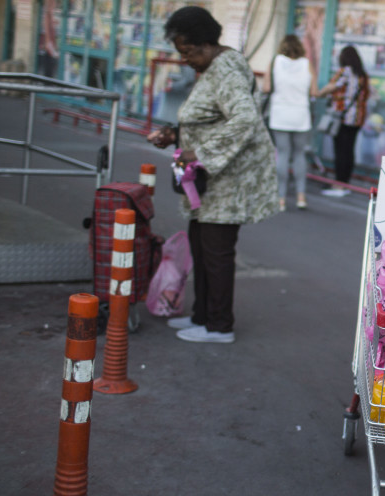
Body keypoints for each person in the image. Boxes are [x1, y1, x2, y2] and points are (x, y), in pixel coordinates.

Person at [146, 6, 279, 344]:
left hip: (229, 180)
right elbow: (211, 120)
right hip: (209, 181)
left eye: (188, 52)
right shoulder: (212, 68)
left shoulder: (226, 69)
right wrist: (175, 135)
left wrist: (200, 153)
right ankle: (202, 316)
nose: (185, 59)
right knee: (200, 245)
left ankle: (220, 326)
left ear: (206, 44)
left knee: (216, 252)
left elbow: (244, 119)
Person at [263, 34, 317, 211]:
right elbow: (314, 91)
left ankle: (281, 198)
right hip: (301, 114)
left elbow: (266, 88)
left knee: (283, 154)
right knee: (300, 155)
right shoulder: (307, 64)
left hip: (280, 113)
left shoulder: (275, 62)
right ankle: (301, 196)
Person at [314, 46, 370, 197]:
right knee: (349, 151)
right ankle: (345, 183)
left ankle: (339, 185)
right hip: (357, 119)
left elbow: (331, 86)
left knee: (340, 152)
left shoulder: (344, 72)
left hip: (343, 118)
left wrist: (318, 93)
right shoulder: (363, 75)